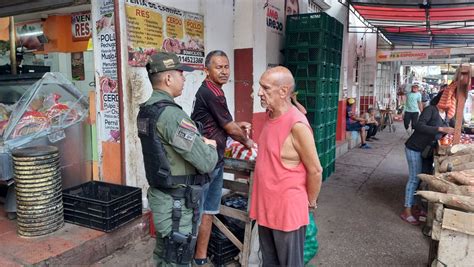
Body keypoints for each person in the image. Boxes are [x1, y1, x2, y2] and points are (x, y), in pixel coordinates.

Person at [137, 52, 218, 266]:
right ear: (168, 79)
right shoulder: (172, 116)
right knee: (178, 260)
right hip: (177, 205)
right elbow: (207, 161)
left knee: (164, 256)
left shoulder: (147, 110)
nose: (184, 79)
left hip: (163, 198)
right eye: (181, 74)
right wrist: (209, 146)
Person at [249, 66, 323, 266]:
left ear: (283, 91)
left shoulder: (297, 124)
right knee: (269, 262)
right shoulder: (268, 116)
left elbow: (315, 170)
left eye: (265, 88)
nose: (259, 93)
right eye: (260, 87)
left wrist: (310, 202)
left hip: (287, 211)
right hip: (265, 206)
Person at [191, 50, 254, 266]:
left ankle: (200, 259)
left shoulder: (216, 91)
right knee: (197, 213)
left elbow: (220, 122)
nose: (224, 71)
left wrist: (238, 123)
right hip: (205, 162)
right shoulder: (211, 92)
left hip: (215, 160)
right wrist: (249, 143)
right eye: (219, 67)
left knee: (209, 211)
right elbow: (229, 128)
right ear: (206, 70)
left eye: (227, 67)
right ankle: (188, 258)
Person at [401, 90, 454, 225]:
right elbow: (418, 125)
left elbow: (450, 127)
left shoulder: (447, 114)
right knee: (414, 179)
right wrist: (440, 129)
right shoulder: (431, 109)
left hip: (427, 151)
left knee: (422, 179)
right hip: (415, 147)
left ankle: (415, 206)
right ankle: (406, 211)